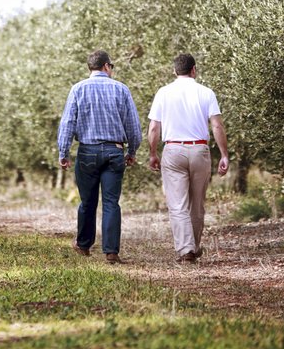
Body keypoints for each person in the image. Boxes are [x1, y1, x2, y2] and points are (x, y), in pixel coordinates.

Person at [57, 50, 142, 264]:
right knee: (111, 202)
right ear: (106, 66)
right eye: (111, 66)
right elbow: (133, 126)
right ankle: (111, 252)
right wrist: (131, 151)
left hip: (87, 150)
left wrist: (63, 151)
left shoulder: (78, 89)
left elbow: (68, 123)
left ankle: (83, 245)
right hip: (114, 151)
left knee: (87, 201)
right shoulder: (121, 89)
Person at [147, 53, 229, 263]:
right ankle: (193, 245)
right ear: (194, 70)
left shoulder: (163, 92)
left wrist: (153, 153)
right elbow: (217, 125)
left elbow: (154, 127)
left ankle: (187, 249)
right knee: (197, 203)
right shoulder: (206, 92)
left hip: (173, 150)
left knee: (178, 204)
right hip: (200, 150)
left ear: (175, 71)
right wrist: (224, 154)